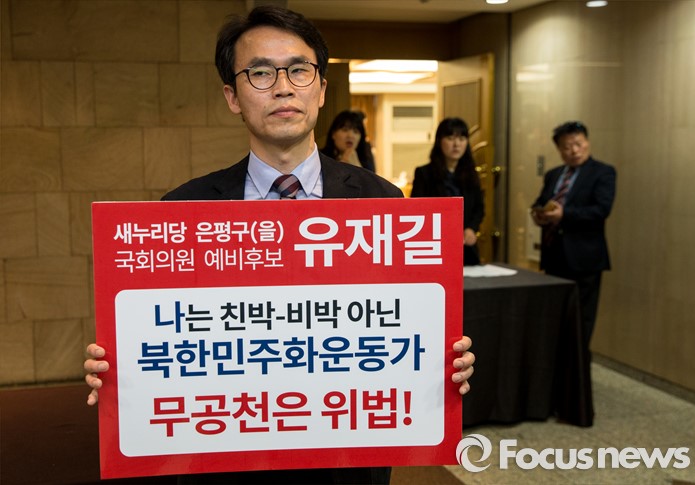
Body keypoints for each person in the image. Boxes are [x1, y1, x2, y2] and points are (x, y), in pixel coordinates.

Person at [84, 6, 475, 485]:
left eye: (298, 70)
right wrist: (119, 367)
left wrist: (443, 359)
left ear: (321, 89)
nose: (283, 87)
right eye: (261, 73)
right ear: (232, 96)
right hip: (225, 455)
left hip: (347, 457)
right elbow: (161, 338)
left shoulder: (385, 203)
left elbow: (408, 323)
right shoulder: (181, 212)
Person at [531, 121, 616, 348]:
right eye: (567, 146)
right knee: (555, 321)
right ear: (559, 149)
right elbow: (541, 201)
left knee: (581, 323)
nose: (574, 150)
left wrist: (564, 214)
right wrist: (539, 215)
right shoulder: (553, 174)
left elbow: (601, 210)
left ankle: (579, 369)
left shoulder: (603, 172)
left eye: (578, 144)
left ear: (587, 142)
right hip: (554, 257)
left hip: (584, 259)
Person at [410, 117, 485, 266]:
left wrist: (471, 228)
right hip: (435, 247)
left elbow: (479, 207)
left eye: (462, 139)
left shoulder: (471, 174)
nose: (456, 144)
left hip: (466, 250)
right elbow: (416, 209)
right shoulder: (424, 174)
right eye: (450, 138)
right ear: (440, 141)